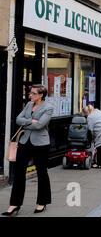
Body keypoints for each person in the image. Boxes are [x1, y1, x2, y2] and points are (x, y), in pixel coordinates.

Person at [3, 85, 53, 216]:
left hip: (41, 144)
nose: (30, 95)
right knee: (19, 173)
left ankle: (42, 202)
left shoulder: (48, 107)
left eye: (33, 93)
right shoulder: (29, 105)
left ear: (41, 95)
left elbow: (40, 125)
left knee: (42, 172)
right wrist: (31, 120)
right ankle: (14, 204)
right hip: (24, 142)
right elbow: (18, 119)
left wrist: (27, 122)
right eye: (30, 93)